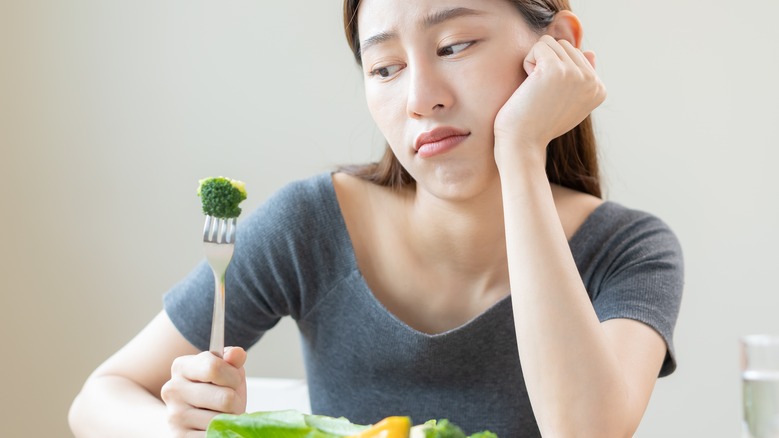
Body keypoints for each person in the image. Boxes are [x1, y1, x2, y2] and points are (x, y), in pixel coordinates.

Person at [69, 0, 684, 436]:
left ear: (559, 48)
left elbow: (585, 433)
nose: (420, 99)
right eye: (385, 68)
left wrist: (522, 152)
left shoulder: (629, 250)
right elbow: (99, 398)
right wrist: (184, 428)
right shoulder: (309, 225)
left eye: (454, 46)